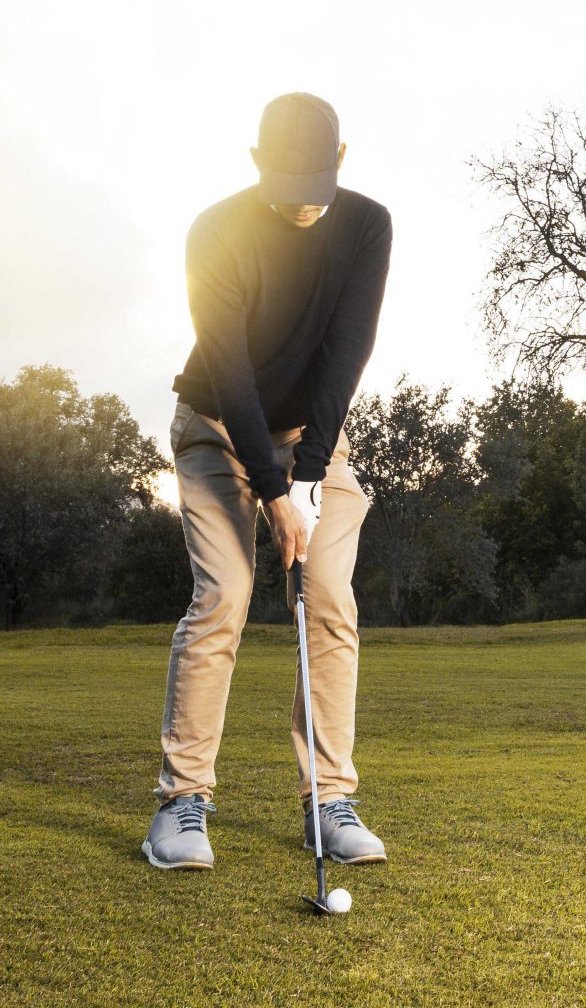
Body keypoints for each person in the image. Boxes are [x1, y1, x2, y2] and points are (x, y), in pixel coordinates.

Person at [142, 91, 393, 872]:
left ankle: (329, 801)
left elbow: (346, 357)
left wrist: (308, 478)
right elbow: (232, 373)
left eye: (318, 184)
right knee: (225, 593)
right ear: (256, 164)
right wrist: (277, 495)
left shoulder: (367, 225)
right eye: (288, 185)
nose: (305, 204)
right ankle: (181, 803)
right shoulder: (215, 231)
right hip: (218, 425)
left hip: (314, 437)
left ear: (341, 161)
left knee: (328, 593)